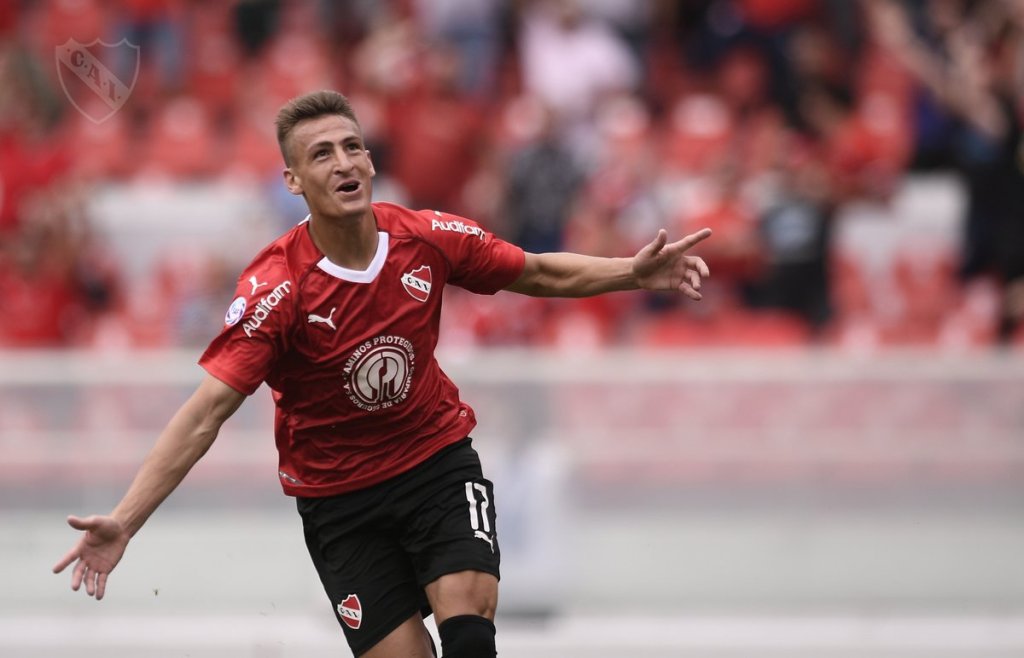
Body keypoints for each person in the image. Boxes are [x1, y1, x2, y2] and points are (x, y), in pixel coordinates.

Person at [52, 90, 712, 658]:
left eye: (352, 147)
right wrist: (126, 520)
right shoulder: (277, 290)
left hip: (434, 464)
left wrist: (632, 272)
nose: (343, 163)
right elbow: (205, 414)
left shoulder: (426, 237)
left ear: (370, 161)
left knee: (470, 628)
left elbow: (537, 272)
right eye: (321, 154)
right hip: (340, 502)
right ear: (293, 182)